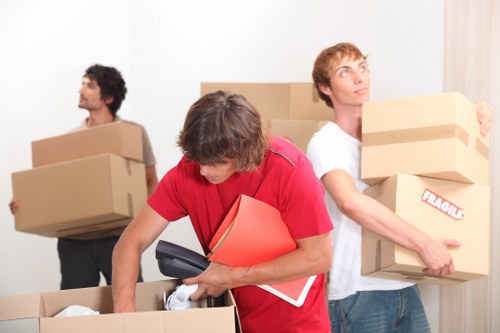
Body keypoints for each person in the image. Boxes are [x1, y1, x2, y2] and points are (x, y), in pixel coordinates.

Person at [307, 42, 493, 333]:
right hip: (358, 292)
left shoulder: (389, 137)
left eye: (363, 68)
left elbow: (434, 170)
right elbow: (350, 202)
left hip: (403, 281)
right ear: (325, 88)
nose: (360, 78)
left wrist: (474, 115)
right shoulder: (326, 142)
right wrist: (424, 244)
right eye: (345, 72)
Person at [112, 90, 333, 333]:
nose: (204, 171)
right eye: (199, 159)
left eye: (216, 162)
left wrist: (232, 276)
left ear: (245, 151)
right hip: (236, 319)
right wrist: (124, 318)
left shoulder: (290, 169)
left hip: (297, 324)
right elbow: (130, 243)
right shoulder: (188, 172)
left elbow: (319, 257)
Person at [9, 64, 158, 290]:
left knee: (130, 308)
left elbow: (151, 180)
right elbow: (54, 190)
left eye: (90, 86)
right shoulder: (70, 140)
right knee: (75, 313)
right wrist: (26, 205)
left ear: (108, 97)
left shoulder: (133, 133)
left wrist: (141, 229)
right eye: (83, 84)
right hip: (74, 243)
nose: (81, 90)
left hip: (119, 237)